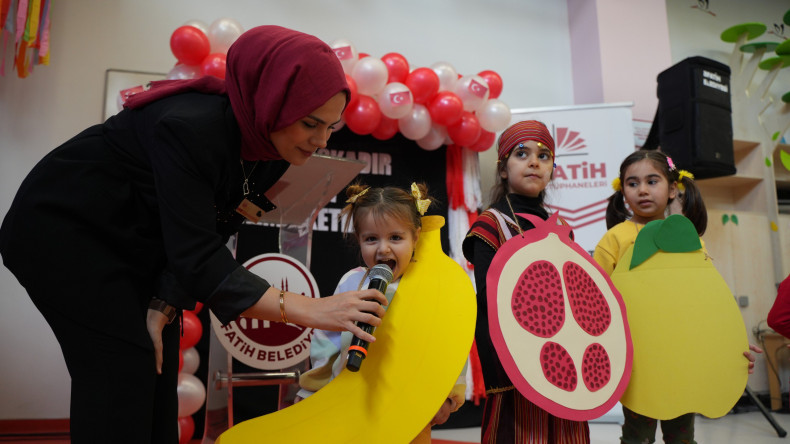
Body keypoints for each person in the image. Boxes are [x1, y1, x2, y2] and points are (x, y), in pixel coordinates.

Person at [0, 26, 389, 444]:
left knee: (157, 365)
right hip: (63, 233)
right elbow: (199, 256)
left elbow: (219, 223)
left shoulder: (271, 147)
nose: (320, 140)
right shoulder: (189, 128)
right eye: (311, 123)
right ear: (271, 101)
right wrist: (314, 310)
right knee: (122, 366)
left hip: (136, 244)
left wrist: (165, 302)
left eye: (331, 127)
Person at [594, 149, 759, 444]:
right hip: (638, 357)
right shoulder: (615, 238)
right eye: (632, 183)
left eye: (652, 181)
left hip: (682, 355)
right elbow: (596, 298)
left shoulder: (690, 240)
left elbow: (705, 300)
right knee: (637, 435)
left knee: (682, 434)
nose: (642, 190)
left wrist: (729, 344)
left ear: (672, 189)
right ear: (622, 191)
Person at [296, 183, 466, 444]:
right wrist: (313, 389)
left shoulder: (432, 287)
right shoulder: (351, 282)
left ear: (416, 237)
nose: (383, 249)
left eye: (395, 238)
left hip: (410, 407)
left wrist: (448, 394)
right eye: (371, 239)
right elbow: (327, 338)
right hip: (354, 403)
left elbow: (450, 344)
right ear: (359, 239)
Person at [462, 120, 590, 443]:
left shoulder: (562, 228)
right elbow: (487, 304)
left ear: (552, 169)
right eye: (522, 153)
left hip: (563, 365)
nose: (534, 161)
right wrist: (500, 375)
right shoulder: (490, 225)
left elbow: (575, 299)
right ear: (503, 169)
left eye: (544, 156)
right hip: (514, 366)